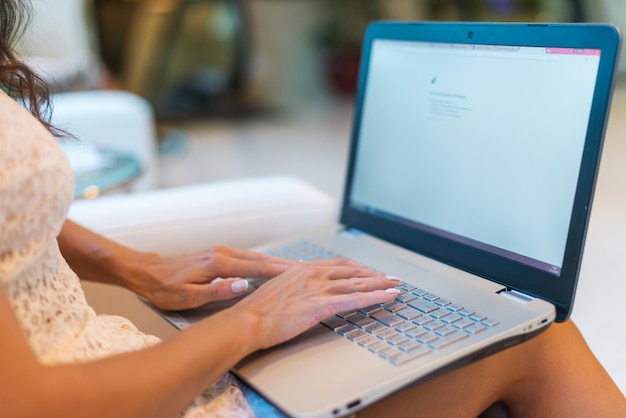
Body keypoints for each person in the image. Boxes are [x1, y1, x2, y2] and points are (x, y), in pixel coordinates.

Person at [1, 1, 625, 417]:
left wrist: (133, 264)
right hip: (121, 393)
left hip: (118, 358)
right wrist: (250, 324)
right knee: (539, 341)